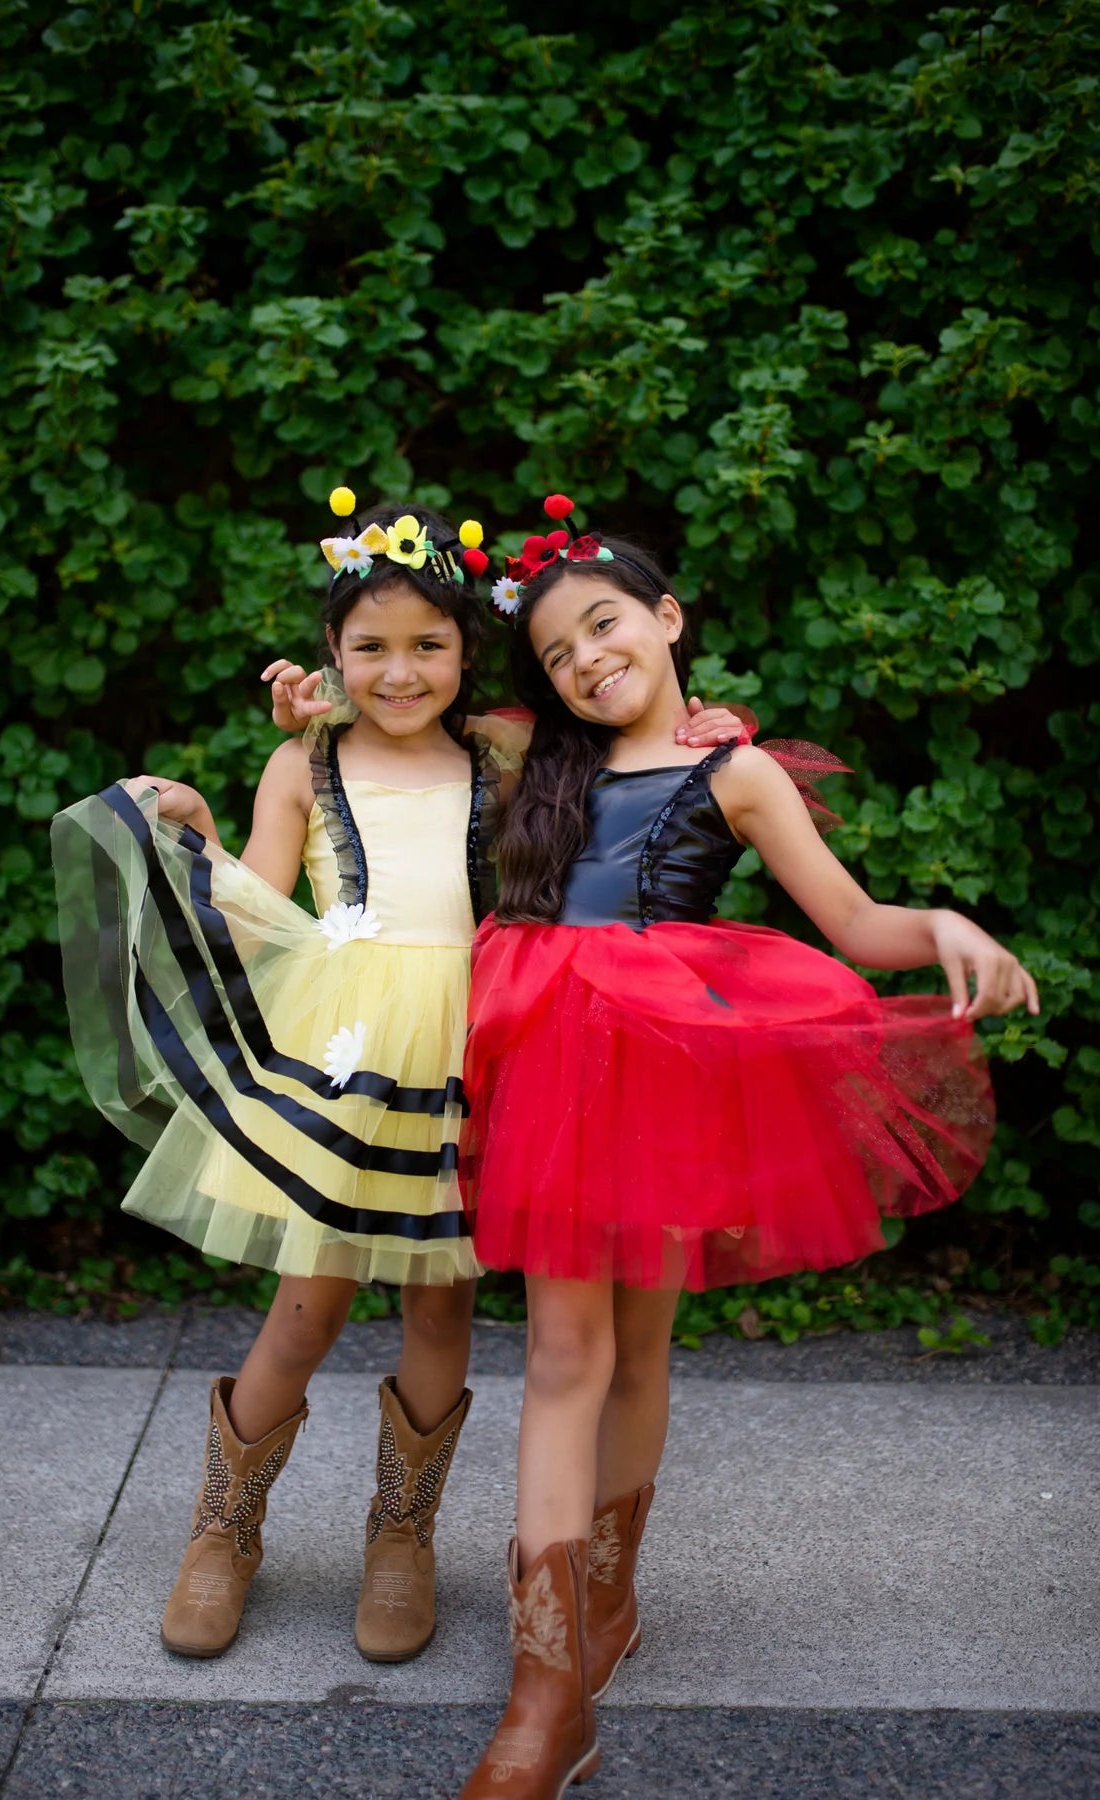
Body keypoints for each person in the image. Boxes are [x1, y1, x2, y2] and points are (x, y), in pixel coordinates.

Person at [50, 490, 743, 1671]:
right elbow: (264, 908)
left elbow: (615, 737)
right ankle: (225, 1528)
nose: (401, 670)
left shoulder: (506, 750)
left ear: (469, 653)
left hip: (479, 1052)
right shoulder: (301, 764)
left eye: (429, 645)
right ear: (329, 656)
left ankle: (401, 1535)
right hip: (350, 1056)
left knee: (441, 1305)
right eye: (369, 647)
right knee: (308, 1304)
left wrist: (711, 721)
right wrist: (202, 824)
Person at [456, 495, 1038, 1799]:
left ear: (665, 619)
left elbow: (851, 917)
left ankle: (607, 1598)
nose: (587, 660)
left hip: (670, 1072)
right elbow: (399, 669)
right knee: (565, 1350)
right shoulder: (526, 759)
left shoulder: (738, 771)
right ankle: (544, 1698)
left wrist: (941, 921)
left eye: (606, 625)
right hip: (549, 1065)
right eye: (556, 651)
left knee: (641, 1343)